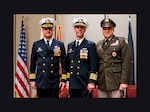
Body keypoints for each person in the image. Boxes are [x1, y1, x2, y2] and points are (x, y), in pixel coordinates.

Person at [29, 18, 67, 98]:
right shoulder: (36, 44)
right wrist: (32, 80)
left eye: (50, 28)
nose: (48, 31)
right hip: (41, 81)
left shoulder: (60, 44)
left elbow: (64, 64)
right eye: (45, 29)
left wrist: (63, 80)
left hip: (54, 81)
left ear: (53, 30)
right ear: (42, 30)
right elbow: (33, 63)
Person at [96, 17, 132, 98]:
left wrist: (124, 81)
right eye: (104, 28)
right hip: (102, 82)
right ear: (102, 30)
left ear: (113, 29)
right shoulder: (99, 44)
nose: (107, 30)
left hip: (116, 82)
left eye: (109, 28)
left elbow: (127, 62)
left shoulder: (121, 42)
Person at [65, 17, 99, 98]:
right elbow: (68, 65)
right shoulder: (70, 45)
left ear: (85, 30)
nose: (79, 29)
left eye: (82, 27)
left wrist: (92, 82)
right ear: (74, 29)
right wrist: (68, 80)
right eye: (77, 27)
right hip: (73, 83)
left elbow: (94, 65)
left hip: (84, 82)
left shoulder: (90, 45)